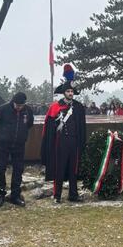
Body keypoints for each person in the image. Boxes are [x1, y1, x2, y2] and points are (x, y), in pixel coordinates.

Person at [42, 65, 87, 203]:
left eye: (72, 91)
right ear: (64, 92)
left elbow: (82, 127)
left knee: (74, 168)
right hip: (60, 142)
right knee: (59, 169)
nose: (70, 93)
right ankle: (57, 195)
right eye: (68, 91)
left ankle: (73, 194)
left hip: (74, 142)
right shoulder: (55, 107)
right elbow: (48, 128)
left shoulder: (78, 107)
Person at [0, 92, 34, 206]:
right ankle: (0, 194)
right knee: (0, 168)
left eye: (21, 106)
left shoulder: (28, 110)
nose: (19, 108)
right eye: (17, 105)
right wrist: (4, 134)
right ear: (13, 102)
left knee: (18, 169)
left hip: (19, 145)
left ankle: (15, 196)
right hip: (3, 144)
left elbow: (29, 124)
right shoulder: (2, 109)